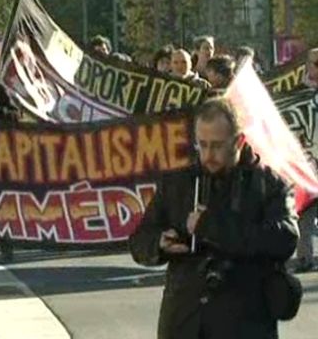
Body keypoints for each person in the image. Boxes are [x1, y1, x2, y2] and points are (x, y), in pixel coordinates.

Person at [130, 97, 299, 339]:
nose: (208, 154)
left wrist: (210, 226)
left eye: (217, 146)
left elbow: (284, 239)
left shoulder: (269, 185)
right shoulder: (178, 183)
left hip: (244, 322)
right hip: (183, 320)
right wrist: (159, 242)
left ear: (239, 141)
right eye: (202, 144)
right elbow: (139, 240)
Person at [295, 48, 318, 272]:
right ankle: (305, 257)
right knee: (306, 211)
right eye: (315, 63)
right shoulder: (296, 93)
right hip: (308, 160)